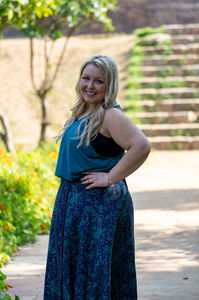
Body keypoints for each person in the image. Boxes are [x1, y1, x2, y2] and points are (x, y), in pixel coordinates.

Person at [43, 55, 151, 299]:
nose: (90, 86)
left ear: (109, 84)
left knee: (93, 270)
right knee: (76, 266)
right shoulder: (84, 111)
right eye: (86, 78)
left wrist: (110, 178)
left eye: (98, 81)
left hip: (96, 203)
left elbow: (141, 146)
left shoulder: (110, 115)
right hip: (75, 200)